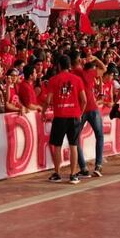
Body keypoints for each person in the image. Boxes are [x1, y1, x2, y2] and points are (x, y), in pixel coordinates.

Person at [42, 55, 86, 184]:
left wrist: (43, 112)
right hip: (74, 116)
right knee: (74, 145)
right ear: (70, 66)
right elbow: (84, 100)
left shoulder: (53, 80)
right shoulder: (77, 79)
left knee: (57, 146)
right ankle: (73, 175)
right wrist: (80, 113)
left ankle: (57, 173)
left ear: (59, 66)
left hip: (60, 116)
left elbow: (48, 99)